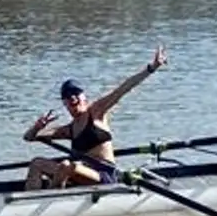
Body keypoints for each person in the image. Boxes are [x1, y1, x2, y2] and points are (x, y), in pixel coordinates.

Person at [22, 48, 168, 189]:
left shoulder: (96, 111)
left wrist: (151, 67)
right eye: (67, 96)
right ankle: (27, 203)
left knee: (68, 165)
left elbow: (123, 89)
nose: (72, 97)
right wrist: (37, 127)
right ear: (65, 104)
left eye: (75, 93)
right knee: (36, 163)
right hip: (79, 173)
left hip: (104, 176)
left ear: (84, 98)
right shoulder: (68, 130)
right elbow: (28, 137)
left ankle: (51, 200)